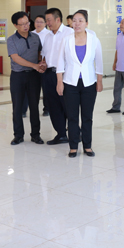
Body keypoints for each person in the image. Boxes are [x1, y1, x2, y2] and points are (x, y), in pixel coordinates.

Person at [57, 10, 103, 158]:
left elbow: (99, 61)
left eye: (80, 20)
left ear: (86, 23)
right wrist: (59, 81)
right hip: (70, 82)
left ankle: (87, 146)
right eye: (74, 20)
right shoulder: (66, 39)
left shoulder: (94, 40)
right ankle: (73, 146)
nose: (77, 23)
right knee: (72, 116)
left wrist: (99, 81)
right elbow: (60, 61)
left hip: (89, 83)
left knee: (87, 116)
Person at [7, 11, 46, 145]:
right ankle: (18, 135)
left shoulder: (35, 37)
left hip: (34, 76)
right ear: (15, 25)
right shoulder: (11, 40)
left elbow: (39, 52)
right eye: (22, 24)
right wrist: (34, 65)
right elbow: (15, 58)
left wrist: (41, 62)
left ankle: (36, 134)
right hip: (17, 76)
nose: (26, 26)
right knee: (17, 106)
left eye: (27, 23)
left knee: (34, 105)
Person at [41, 8, 73, 145]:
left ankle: (75, 133)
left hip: (65, 74)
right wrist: (43, 63)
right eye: (46, 20)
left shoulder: (69, 33)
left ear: (58, 19)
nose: (47, 23)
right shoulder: (47, 35)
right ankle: (61, 134)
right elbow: (45, 54)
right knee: (53, 105)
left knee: (67, 105)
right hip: (49, 74)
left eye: (49, 20)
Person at [32, 14, 49, 117]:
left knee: (45, 88)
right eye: (37, 22)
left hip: (44, 64)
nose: (38, 24)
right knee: (32, 88)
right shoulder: (31, 34)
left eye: (41, 22)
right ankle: (30, 108)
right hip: (33, 64)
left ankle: (47, 108)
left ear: (45, 23)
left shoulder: (49, 34)